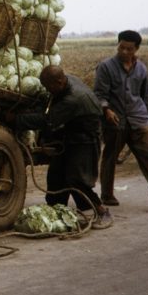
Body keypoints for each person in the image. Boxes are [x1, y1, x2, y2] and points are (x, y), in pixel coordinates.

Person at [12, 66, 112, 228]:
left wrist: (17, 120)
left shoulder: (73, 98)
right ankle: (56, 211)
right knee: (56, 176)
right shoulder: (66, 82)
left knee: (76, 179)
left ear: (59, 82)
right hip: (70, 134)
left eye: (48, 87)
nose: (47, 90)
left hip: (85, 140)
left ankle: (102, 211)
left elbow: (47, 120)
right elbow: (50, 104)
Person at [94, 30, 148, 212]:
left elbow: (145, 96)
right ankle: (107, 194)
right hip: (115, 122)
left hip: (139, 119)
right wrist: (106, 109)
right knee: (109, 158)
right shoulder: (106, 67)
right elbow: (99, 94)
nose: (124, 52)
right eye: (121, 47)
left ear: (136, 49)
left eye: (128, 49)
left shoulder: (141, 69)